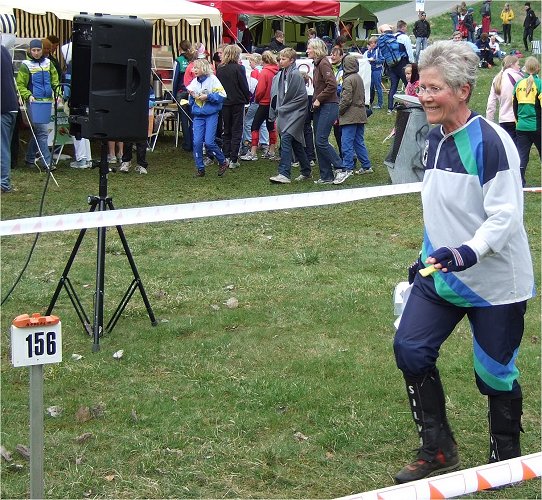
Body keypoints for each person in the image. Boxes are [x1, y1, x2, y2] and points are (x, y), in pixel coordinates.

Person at [393, 41, 534, 485]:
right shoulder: (433, 135)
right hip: (441, 275)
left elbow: (506, 216)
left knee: (494, 374)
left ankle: (506, 460)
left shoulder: (493, 142)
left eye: (434, 89)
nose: (424, 97)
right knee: (410, 349)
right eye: (421, 87)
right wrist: (426, 254)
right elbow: (442, 205)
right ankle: (438, 448)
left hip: (495, 283)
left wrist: (467, 252)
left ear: (463, 91)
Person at [268, 48, 311, 184]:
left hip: (296, 112)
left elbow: (302, 97)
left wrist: (283, 108)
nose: (281, 61)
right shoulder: (283, 74)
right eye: (280, 58)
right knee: (295, 142)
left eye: (284, 59)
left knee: (286, 139)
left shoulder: (295, 75)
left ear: (291, 60)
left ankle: (284, 173)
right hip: (287, 112)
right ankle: (306, 171)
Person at [16, 39, 59, 170]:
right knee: (42, 132)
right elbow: (20, 84)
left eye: (38, 50)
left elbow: (55, 80)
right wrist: (28, 95)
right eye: (33, 50)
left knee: (39, 131)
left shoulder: (49, 63)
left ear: (42, 50)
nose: (36, 53)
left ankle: (29, 158)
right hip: (33, 102)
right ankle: (47, 162)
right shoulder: (26, 65)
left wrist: (58, 94)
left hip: (47, 102)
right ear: (30, 51)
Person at [306, 38, 343, 184]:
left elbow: (332, 85)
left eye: (309, 48)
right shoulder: (317, 64)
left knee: (321, 140)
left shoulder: (323, 63)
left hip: (328, 105)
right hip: (320, 106)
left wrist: (319, 99)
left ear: (316, 49)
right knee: (318, 141)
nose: (307, 50)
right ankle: (326, 175)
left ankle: (341, 168)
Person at [187, 58, 229, 177]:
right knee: (197, 142)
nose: (194, 70)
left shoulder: (213, 79)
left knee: (209, 142)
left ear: (204, 68)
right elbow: (191, 98)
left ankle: (222, 161)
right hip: (198, 115)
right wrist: (192, 97)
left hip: (211, 114)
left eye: (197, 68)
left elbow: (222, 96)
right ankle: (200, 168)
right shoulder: (194, 82)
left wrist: (208, 97)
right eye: (194, 68)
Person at [335, 55, 371, 184]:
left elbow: (346, 99)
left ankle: (348, 167)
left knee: (346, 142)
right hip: (360, 113)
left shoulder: (348, 79)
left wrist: (339, 112)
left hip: (350, 114)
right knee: (358, 141)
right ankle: (366, 165)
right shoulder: (358, 77)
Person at [216, 44, 250, 170]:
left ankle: (226, 156)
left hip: (225, 102)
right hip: (237, 102)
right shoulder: (239, 68)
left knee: (227, 130)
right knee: (236, 130)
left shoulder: (220, 68)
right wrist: (247, 98)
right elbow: (244, 85)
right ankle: (234, 158)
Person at [240, 51, 279, 162]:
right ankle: (271, 150)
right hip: (273, 102)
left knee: (255, 126)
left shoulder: (264, 72)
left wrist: (257, 98)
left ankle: (253, 152)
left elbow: (260, 89)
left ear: (263, 60)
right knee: (270, 126)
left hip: (263, 102)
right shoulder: (276, 71)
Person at [513, 56, 541, 186]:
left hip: (521, 127)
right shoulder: (540, 84)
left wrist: (518, 121)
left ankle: (519, 183)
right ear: (538, 69)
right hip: (537, 126)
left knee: (522, 156)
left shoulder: (518, 84)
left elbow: (514, 106)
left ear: (525, 69)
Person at [486, 55, 524, 141]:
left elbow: (491, 104)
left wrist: (489, 122)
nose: (519, 67)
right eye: (518, 64)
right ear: (511, 64)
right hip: (517, 118)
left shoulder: (496, 79)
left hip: (503, 120)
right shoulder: (519, 77)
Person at [119, 86, 155, 175]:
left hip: (142, 117)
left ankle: (142, 165)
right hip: (129, 116)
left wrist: (139, 104)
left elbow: (152, 102)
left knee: (141, 141)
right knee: (127, 140)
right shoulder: (128, 86)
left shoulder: (148, 87)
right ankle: (126, 162)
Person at [241, 53, 270, 156]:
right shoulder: (265, 70)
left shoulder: (255, 72)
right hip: (266, 100)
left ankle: (249, 141)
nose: (250, 64)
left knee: (249, 121)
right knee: (263, 122)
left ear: (255, 61)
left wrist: (253, 98)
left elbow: (254, 86)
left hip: (257, 99)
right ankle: (264, 142)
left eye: (250, 62)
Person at [172, 40, 196, 152]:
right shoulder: (193, 60)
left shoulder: (178, 60)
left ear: (179, 48)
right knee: (192, 117)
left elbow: (175, 78)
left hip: (181, 93)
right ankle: (194, 141)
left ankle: (187, 144)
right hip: (192, 93)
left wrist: (173, 94)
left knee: (184, 118)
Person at [386, 21, 414, 114]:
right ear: (402, 27)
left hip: (392, 65)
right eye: (405, 27)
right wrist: (412, 63)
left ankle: (390, 108)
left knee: (393, 86)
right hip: (402, 64)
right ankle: (410, 105)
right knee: (408, 84)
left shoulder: (391, 37)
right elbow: (409, 51)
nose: (406, 29)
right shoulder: (405, 37)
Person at [1, 45, 18, 193]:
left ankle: (3, 183)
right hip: (11, 105)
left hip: (3, 107)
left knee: (2, 148)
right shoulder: (4, 51)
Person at [366, 36, 384, 109]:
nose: (372, 44)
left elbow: (382, 60)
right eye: (371, 43)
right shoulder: (371, 50)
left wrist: (375, 60)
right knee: (370, 86)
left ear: (377, 43)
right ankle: (370, 101)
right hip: (371, 70)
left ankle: (380, 103)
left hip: (377, 70)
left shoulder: (378, 50)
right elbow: (368, 57)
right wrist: (368, 51)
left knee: (378, 87)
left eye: (374, 43)